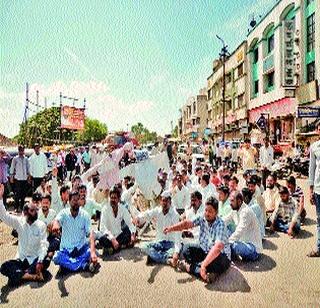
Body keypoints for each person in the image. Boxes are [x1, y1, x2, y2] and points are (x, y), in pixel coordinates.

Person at [164, 196, 231, 283]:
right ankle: (206, 273)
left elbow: (218, 247)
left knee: (216, 263)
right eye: (206, 210)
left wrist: (203, 265)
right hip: (205, 250)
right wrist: (170, 228)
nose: (207, 213)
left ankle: (192, 268)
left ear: (216, 212)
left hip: (221, 256)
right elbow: (187, 224)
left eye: (210, 211)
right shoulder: (203, 217)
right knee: (186, 249)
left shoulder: (220, 224)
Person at [0, 184, 50, 285]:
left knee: (46, 260)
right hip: (21, 260)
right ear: (25, 213)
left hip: (35, 260)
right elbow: (4, 216)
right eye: (32, 211)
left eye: (36, 210)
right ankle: (32, 276)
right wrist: (0, 198)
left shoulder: (41, 225)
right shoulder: (19, 222)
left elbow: (44, 245)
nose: (35, 212)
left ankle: (21, 275)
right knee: (4, 267)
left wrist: (40, 260)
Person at [52, 191, 99, 274]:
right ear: (69, 201)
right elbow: (57, 220)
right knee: (56, 258)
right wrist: (55, 225)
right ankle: (83, 265)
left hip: (80, 248)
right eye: (74, 200)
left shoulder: (85, 215)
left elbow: (90, 233)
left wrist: (92, 252)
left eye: (78, 200)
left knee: (93, 252)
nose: (76, 202)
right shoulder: (64, 213)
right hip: (66, 250)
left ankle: (68, 265)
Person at [134, 191, 181, 266]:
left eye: (166, 201)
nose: (164, 203)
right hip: (159, 242)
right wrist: (138, 217)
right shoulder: (157, 210)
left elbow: (178, 235)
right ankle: (166, 259)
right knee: (143, 246)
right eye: (163, 200)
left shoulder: (175, 215)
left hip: (171, 243)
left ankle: (156, 257)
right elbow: (147, 214)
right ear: (160, 201)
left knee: (174, 252)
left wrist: (176, 252)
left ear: (170, 202)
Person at [224, 191, 262, 262]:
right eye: (230, 200)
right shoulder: (235, 210)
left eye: (232, 201)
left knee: (234, 245)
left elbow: (239, 231)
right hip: (242, 241)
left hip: (253, 247)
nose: (230, 203)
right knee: (224, 232)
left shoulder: (245, 212)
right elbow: (225, 220)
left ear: (239, 201)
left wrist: (226, 242)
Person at [97, 186, 136, 255]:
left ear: (119, 199)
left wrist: (132, 235)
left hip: (119, 235)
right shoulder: (105, 209)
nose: (112, 200)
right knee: (102, 239)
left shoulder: (122, 208)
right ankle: (120, 246)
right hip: (109, 237)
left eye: (115, 198)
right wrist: (112, 239)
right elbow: (102, 227)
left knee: (129, 232)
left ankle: (112, 248)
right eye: (111, 198)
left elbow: (130, 222)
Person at [308, 123, 320, 257]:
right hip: (318, 189)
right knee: (319, 219)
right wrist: (310, 190)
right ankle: (318, 248)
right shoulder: (314, 147)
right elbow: (311, 170)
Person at [10, 145, 31, 212]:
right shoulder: (15, 159)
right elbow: (12, 168)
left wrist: (29, 177)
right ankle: (16, 207)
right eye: (20, 150)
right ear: (18, 151)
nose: (21, 152)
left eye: (22, 150)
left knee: (23, 194)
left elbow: (28, 169)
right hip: (18, 179)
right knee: (17, 194)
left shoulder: (26, 159)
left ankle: (22, 207)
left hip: (24, 179)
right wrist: (11, 177)